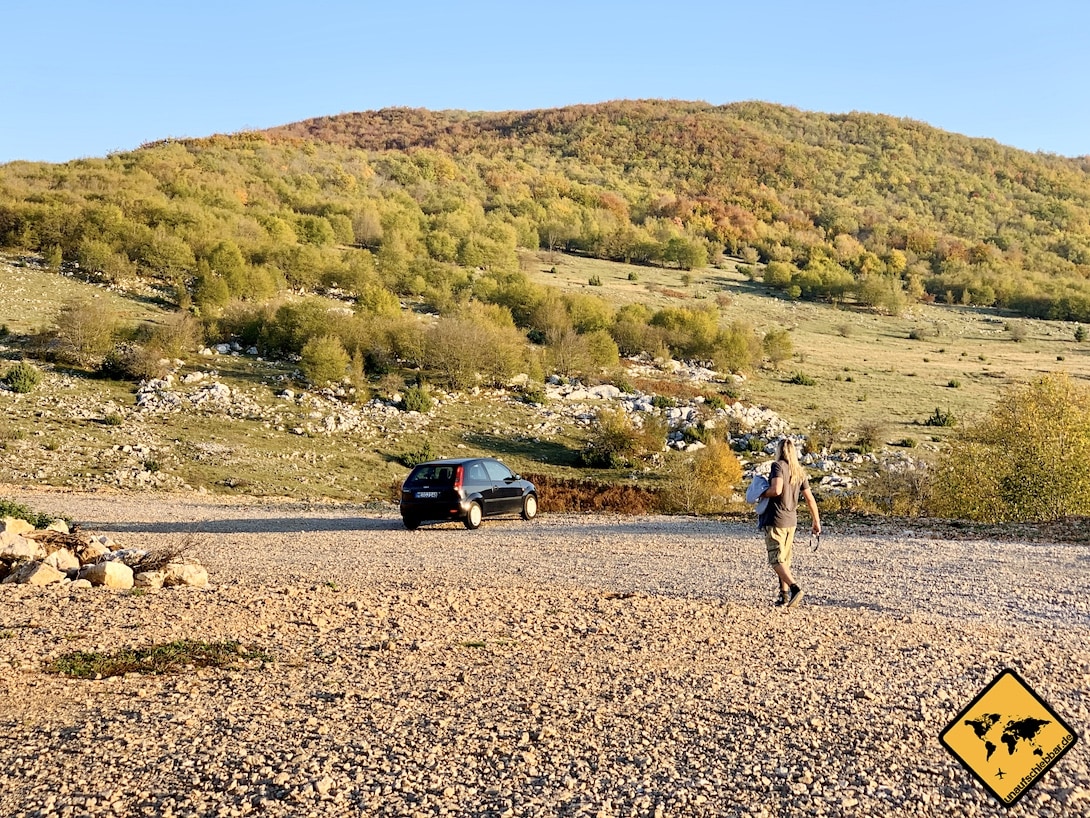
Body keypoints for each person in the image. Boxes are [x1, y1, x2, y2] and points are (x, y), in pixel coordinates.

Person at [758, 437, 821, 608]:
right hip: (791, 520)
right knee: (784, 558)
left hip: (776, 518)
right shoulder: (799, 471)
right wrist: (816, 520)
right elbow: (809, 498)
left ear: (779, 450)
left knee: (775, 559)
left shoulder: (777, 466)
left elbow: (776, 489)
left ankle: (794, 588)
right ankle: (783, 596)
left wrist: (761, 493)